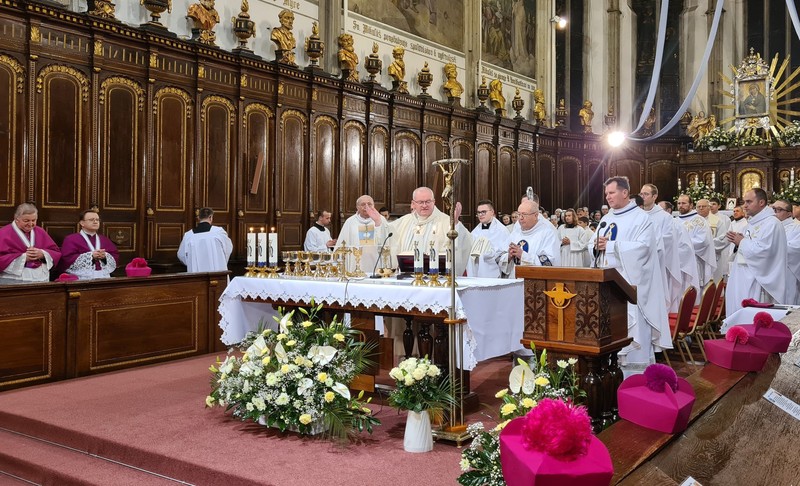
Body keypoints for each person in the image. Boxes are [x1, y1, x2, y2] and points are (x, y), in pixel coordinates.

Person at [592, 177, 670, 374]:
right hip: (608, 285)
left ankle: (635, 377)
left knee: (633, 330)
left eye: (612, 193)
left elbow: (643, 249)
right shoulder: (607, 218)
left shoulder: (641, 218)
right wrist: (594, 247)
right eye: (606, 193)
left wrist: (610, 246)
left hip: (632, 286)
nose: (607, 197)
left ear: (625, 193)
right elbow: (594, 244)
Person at [726, 189, 787, 314]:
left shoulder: (771, 223)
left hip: (757, 279)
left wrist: (741, 241)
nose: (745, 205)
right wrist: (739, 241)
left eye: (749, 202)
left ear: (761, 202)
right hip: (744, 275)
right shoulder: (753, 222)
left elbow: (765, 252)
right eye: (744, 202)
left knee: (753, 315)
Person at [388, 187, 473, 277]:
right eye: (420, 202)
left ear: (434, 202)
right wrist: (378, 222)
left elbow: (465, 240)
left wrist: (455, 225)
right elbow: (387, 233)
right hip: (405, 276)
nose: (424, 205)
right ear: (413, 204)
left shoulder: (446, 221)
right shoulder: (404, 221)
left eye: (428, 201)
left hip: (436, 278)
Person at [639, 184, 683, 312]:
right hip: (640, 263)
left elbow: (668, 239)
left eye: (646, 194)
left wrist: (648, 244)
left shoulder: (665, 217)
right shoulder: (637, 215)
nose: (642, 197)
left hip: (657, 264)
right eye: (641, 194)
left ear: (655, 196)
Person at [0, 203, 61, 282]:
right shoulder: (3, 233)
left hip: (40, 277)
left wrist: (42, 254)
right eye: (26, 221)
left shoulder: (40, 231)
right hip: (14, 279)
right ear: (16, 219)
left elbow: (55, 251)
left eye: (33, 220)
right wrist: (23, 257)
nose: (30, 224)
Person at [58, 209, 120, 279]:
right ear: (82, 223)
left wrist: (105, 256)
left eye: (97, 220)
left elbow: (115, 255)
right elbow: (67, 258)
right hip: (81, 277)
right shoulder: (71, 239)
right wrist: (90, 256)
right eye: (91, 220)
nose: (95, 222)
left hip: (103, 275)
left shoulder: (104, 239)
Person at [505, 198, 560, 277]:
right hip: (514, 281)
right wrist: (508, 256)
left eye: (524, 214)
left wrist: (523, 256)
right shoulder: (516, 232)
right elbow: (504, 257)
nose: (520, 218)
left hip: (536, 283)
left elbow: (549, 262)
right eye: (519, 214)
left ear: (535, 215)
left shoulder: (547, 233)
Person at [335, 195, 390, 274]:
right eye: (363, 204)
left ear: (374, 206)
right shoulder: (350, 222)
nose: (366, 207)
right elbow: (341, 245)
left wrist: (378, 224)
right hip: (355, 264)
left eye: (369, 204)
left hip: (376, 262)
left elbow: (386, 241)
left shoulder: (380, 219)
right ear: (357, 207)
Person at [660, 200, 701, 299]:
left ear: (668, 211)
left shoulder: (677, 225)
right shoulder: (655, 224)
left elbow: (686, 249)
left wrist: (668, 256)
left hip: (673, 269)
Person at [676, 195, 716, 288]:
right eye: (679, 203)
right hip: (677, 261)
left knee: (692, 291)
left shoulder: (699, 220)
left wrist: (680, 246)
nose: (680, 205)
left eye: (684, 203)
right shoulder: (675, 221)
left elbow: (703, 241)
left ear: (691, 205)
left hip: (693, 261)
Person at [177, 208, 232, 272]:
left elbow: (181, 255)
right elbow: (228, 249)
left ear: (199, 218)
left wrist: (191, 263)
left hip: (196, 274)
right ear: (210, 217)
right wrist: (221, 261)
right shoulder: (219, 232)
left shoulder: (189, 235)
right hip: (217, 273)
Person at [467, 200, 511, 278]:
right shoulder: (475, 231)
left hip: (493, 270)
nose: (480, 215)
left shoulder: (502, 230)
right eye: (478, 212)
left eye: (483, 212)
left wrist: (489, 254)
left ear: (492, 212)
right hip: (476, 270)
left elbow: (504, 253)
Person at [772, 199, 800, 303]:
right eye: (772, 209)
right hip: (768, 273)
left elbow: (795, 249)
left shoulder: (796, 228)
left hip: (786, 273)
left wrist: (770, 248)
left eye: (778, 209)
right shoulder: (769, 227)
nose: (773, 212)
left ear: (789, 214)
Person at [700, 197, 732, 281]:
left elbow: (725, 238)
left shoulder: (721, 220)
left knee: (714, 279)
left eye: (704, 206)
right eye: (699, 206)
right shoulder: (695, 221)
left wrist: (707, 246)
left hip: (715, 255)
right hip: (698, 258)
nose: (701, 208)